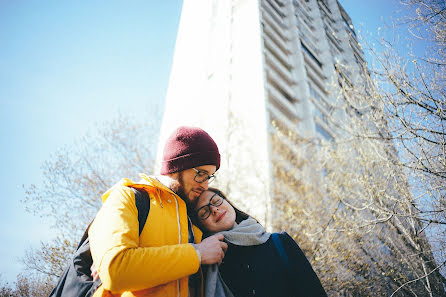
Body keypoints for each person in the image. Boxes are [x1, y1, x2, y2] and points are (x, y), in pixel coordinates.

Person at [88, 126, 228, 297]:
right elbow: (115, 269)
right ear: (177, 166)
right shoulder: (127, 197)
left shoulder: (192, 216)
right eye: (201, 174)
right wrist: (197, 254)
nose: (205, 185)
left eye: (209, 177)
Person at [191, 188, 328, 297]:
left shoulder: (280, 242)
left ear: (228, 202)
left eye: (216, 201)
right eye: (204, 213)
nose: (214, 209)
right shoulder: (209, 266)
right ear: (201, 226)